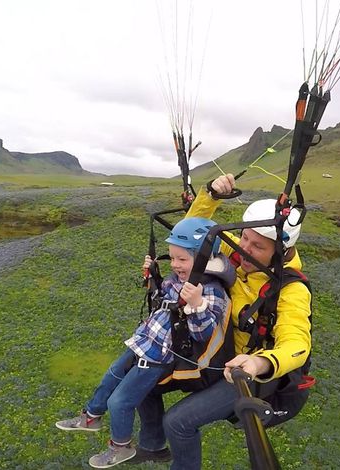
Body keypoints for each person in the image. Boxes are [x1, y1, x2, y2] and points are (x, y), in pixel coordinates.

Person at [133, 173, 313, 469]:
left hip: (244, 373)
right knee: (142, 379)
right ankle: (152, 445)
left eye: (257, 246)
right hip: (213, 352)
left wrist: (260, 363)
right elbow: (193, 236)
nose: (245, 249)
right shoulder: (241, 254)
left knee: (178, 422)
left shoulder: (291, 290)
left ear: (280, 253)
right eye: (244, 237)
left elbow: (297, 344)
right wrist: (211, 196)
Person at [55, 217, 234, 469]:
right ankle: (91, 417)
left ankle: (121, 447)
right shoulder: (180, 277)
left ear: (204, 257)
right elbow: (163, 299)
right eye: (172, 258)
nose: (175, 264)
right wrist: (154, 277)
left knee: (121, 401)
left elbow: (204, 335)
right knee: (112, 374)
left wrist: (198, 305)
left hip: (160, 356)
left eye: (182, 259)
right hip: (145, 342)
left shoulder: (210, 290)